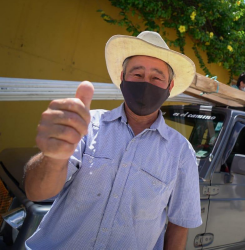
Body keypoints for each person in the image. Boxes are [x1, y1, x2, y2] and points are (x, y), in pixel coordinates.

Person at [23, 31, 202, 249]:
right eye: (137, 74)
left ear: (169, 87)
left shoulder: (181, 153)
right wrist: (52, 157)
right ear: (122, 78)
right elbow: (36, 192)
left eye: (156, 77)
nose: (146, 83)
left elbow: (179, 226)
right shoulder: (86, 125)